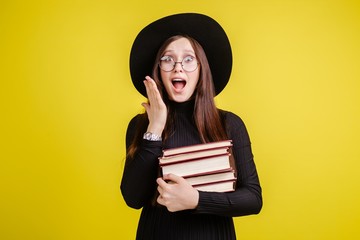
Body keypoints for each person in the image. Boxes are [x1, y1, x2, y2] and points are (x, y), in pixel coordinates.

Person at [121, 13, 262, 240]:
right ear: (158, 71)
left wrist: (196, 200)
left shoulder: (229, 124)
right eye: (168, 59)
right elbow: (132, 198)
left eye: (188, 59)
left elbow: (253, 198)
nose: (178, 68)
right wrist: (154, 129)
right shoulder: (141, 125)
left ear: (201, 70)